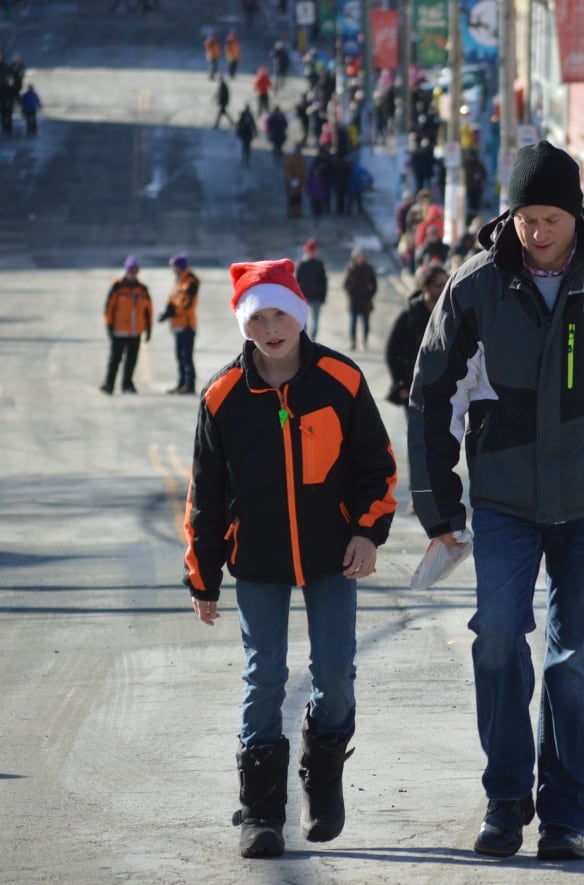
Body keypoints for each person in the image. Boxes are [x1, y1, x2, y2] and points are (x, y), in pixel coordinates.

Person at [407, 140, 584, 861]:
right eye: (527, 217)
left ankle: (565, 812)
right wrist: (439, 509)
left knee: (574, 656)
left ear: (576, 212)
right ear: (510, 213)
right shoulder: (475, 285)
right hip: (504, 499)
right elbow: (430, 393)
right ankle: (506, 801)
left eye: (551, 218)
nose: (538, 232)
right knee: (500, 638)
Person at [182, 273, 397, 857]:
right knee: (264, 678)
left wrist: (367, 533)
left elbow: (376, 464)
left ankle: (322, 775)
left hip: (334, 555)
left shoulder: (340, 380)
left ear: (300, 314)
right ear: (243, 326)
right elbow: (206, 494)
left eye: (280, 316)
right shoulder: (223, 396)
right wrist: (203, 574)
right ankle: (261, 811)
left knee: (334, 674)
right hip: (257, 559)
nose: (271, 330)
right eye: (257, 319)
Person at [385, 263, 447, 406]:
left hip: (440, 389)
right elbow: (392, 351)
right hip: (413, 387)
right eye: (439, 284)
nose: (444, 289)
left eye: (446, 284)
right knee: (417, 428)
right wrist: (400, 383)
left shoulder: (449, 314)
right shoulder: (410, 314)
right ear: (426, 286)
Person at [101, 256, 153, 394]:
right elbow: (108, 308)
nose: (133, 274)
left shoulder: (142, 289)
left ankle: (127, 384)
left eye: (135, 271)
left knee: (131, 360)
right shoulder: (117, 287)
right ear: (126, 271)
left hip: (135, 332)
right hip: (119, 331)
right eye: (130, 270)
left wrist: (148, 328)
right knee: (115, 359)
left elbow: (148, 311)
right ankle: (109, 384)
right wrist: (108, 325)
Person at [159, 253, 199, 394]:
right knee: (180, 357)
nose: (172, 269)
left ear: (179, 267)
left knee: (186, 357)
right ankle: (181, 383)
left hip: (187, 325)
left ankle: (189, 384)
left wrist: (172, 313)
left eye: (173, 266)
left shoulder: (190, 281)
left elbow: (186, 304)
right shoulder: (179, 280)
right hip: (178, 325)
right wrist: (167, 311)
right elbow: (173, 298)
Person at [342, 247, 377, 350]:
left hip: (365, 301)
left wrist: (370, 295)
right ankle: (353, 342)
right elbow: (345, 284)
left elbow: (374, 284)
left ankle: (365, 341)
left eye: (361, 256)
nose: (360, 259)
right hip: (353, 302)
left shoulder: (368, 269)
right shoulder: (350, 268)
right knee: (353, 323)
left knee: (366, 324)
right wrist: (350, 294)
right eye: (358, 257)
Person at [296, 238, 328, 340]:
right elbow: (296, 281)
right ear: (306, 251)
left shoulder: (319, 264)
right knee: (303, 320)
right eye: (310, 251)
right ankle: (305, 340)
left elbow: (324, 282)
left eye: (313, 251)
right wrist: (297, 296)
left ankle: (313, 339)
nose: (312, 253)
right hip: (304, 297)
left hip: (316, 297)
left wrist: (323, 297)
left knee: (315, 320)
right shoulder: (301, 264)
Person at [283, 146, 307, 217]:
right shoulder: (289, 159)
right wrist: (291, 180)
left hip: (299, 181)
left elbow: (304, 171)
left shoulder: (301, 159)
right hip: (292, 181)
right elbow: (288, 171)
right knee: (292, 197)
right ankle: (292, 212)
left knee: (298, 197)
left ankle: (297, 212)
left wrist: (303, 180)